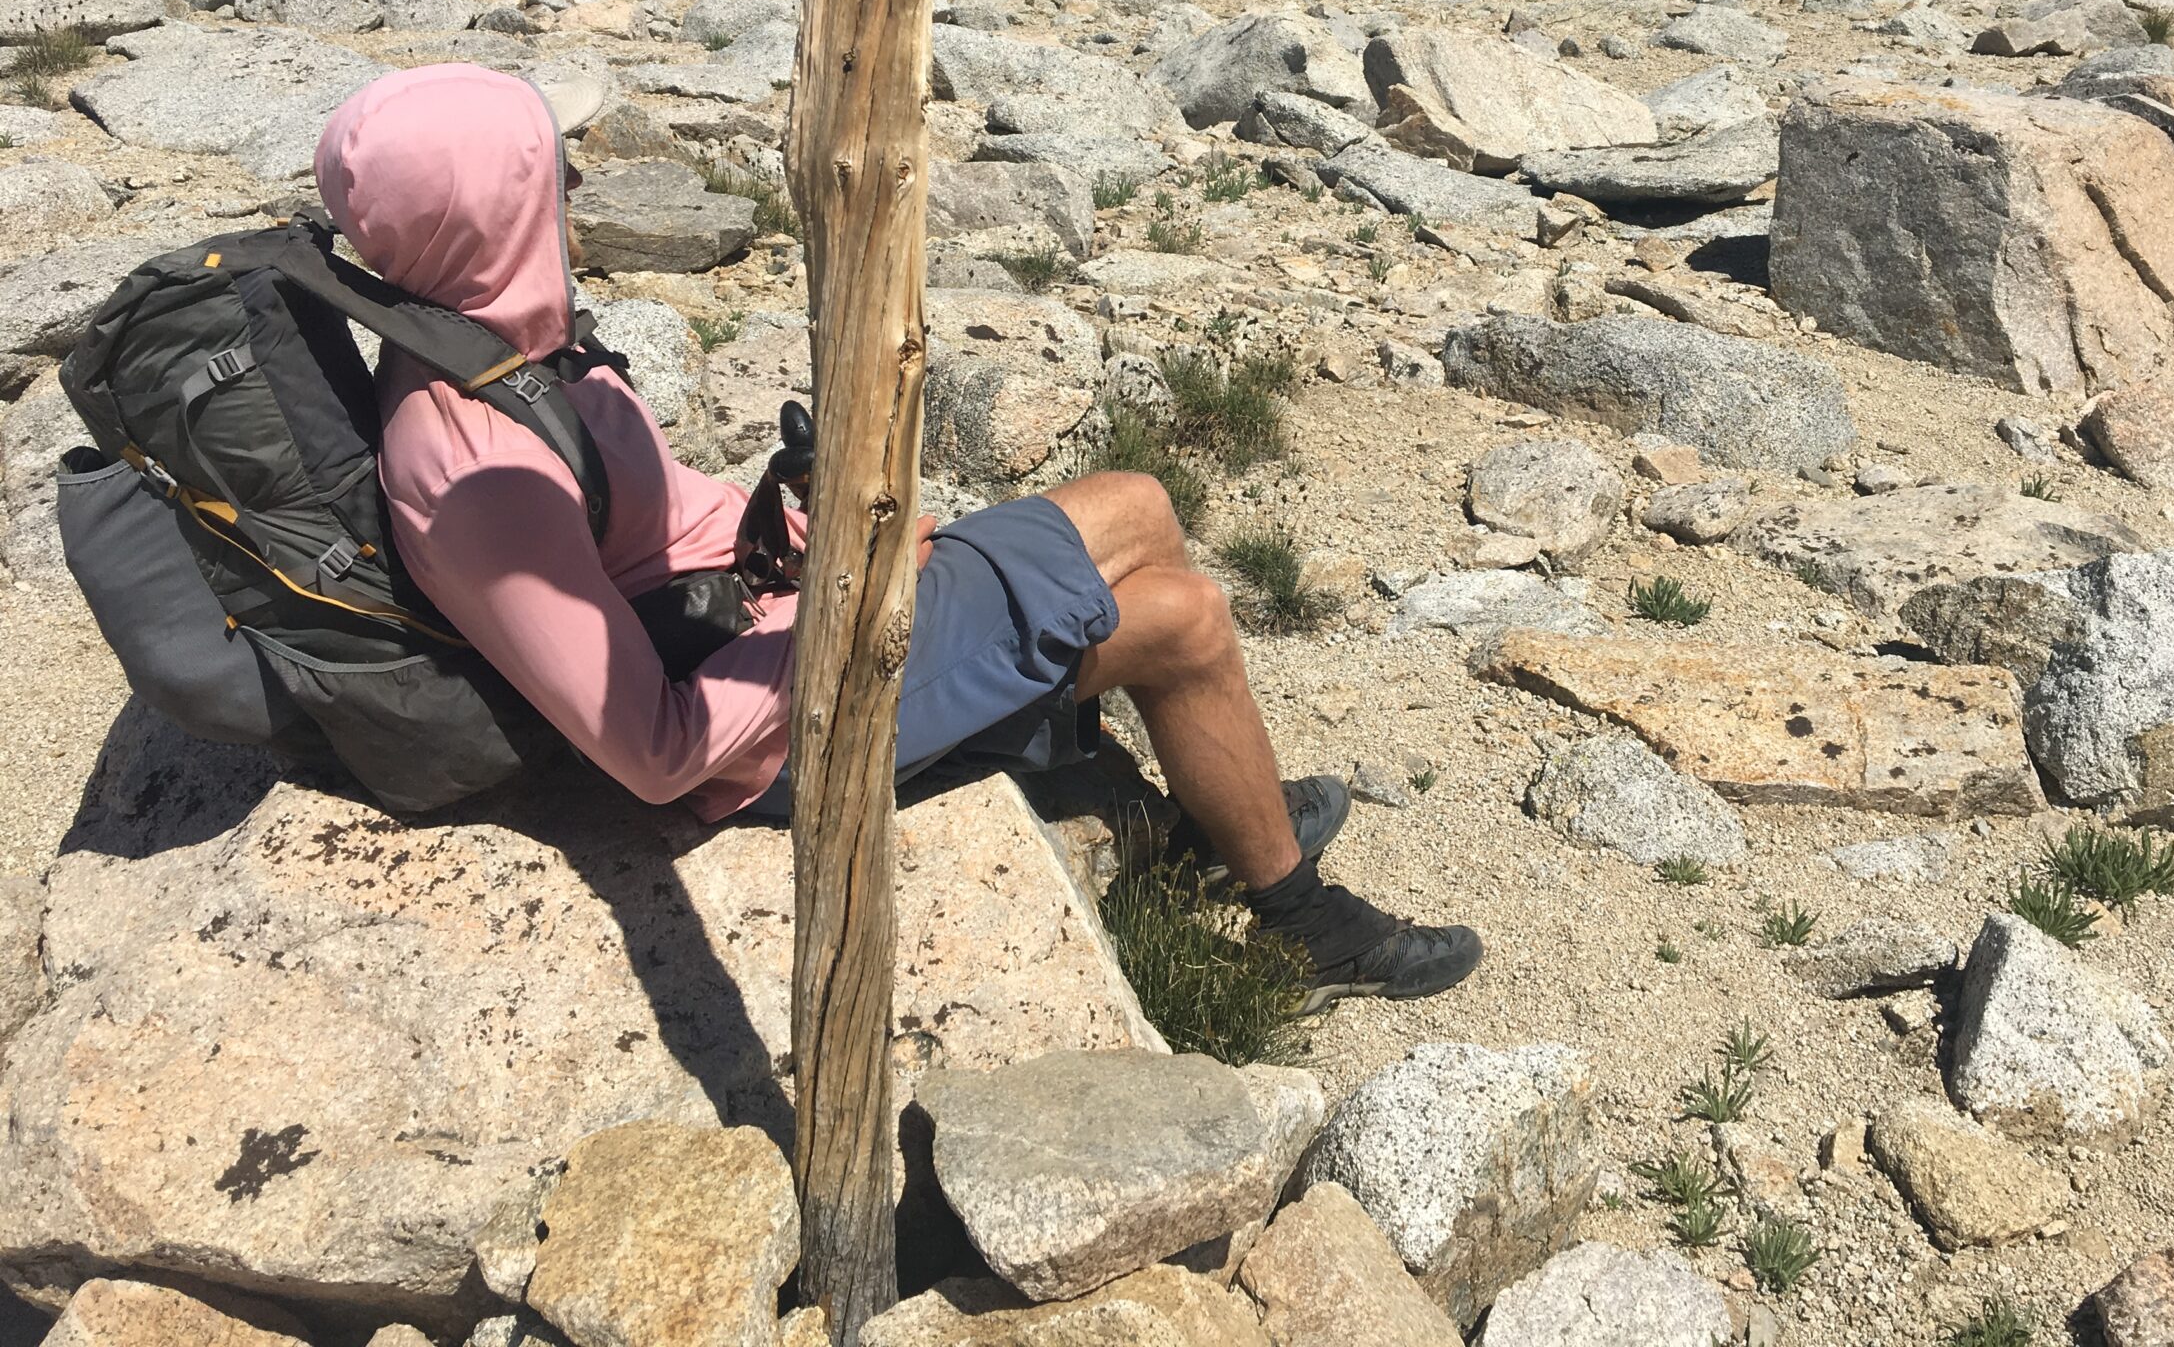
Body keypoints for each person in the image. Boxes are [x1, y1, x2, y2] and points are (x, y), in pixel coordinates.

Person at [312, 63, 1481, 1007]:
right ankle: (1298, 919)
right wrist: (850, 606)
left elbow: (665, 530)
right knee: (1185, 620)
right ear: (492, 213)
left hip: (769, 622)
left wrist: (800, 536)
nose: (572, 179)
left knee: (1139, 506)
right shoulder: (474, 469)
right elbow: (655, 751)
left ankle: (1205, 822)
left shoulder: (509, 350)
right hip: (767, 737)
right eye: (544, 169)